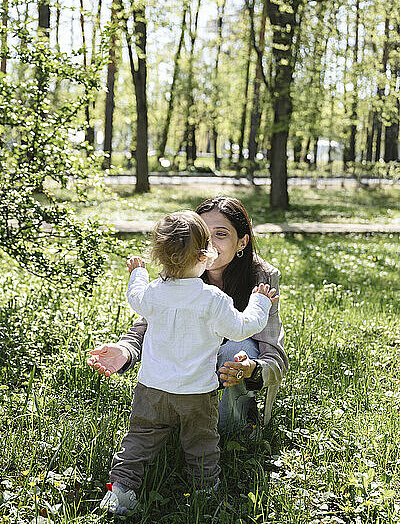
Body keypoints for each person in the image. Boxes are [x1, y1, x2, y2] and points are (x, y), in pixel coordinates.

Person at [95, 210, 278, 515]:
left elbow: (135, 295)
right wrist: (259, 300)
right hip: (196, 394)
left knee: (139, 439)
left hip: (152, 389)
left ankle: (121, 491)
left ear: (160, 257)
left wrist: (138, 272)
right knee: (202, 442)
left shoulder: (153, 293)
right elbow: (244, 327)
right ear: (206, 256)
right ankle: (205, 492)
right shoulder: (212, 299)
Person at [88, 196, 288, 435]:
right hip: (187, 372)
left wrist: (252, 369)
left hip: (232, 364)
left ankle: (234, 427)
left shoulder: (262, 277)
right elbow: (149, 321)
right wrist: (126, 351)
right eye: (204, 234)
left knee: (234, 349)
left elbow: (274, 356)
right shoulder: (184, 265)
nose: (210, 245)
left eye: (221, 234)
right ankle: (175, 422)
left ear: (242, 242)